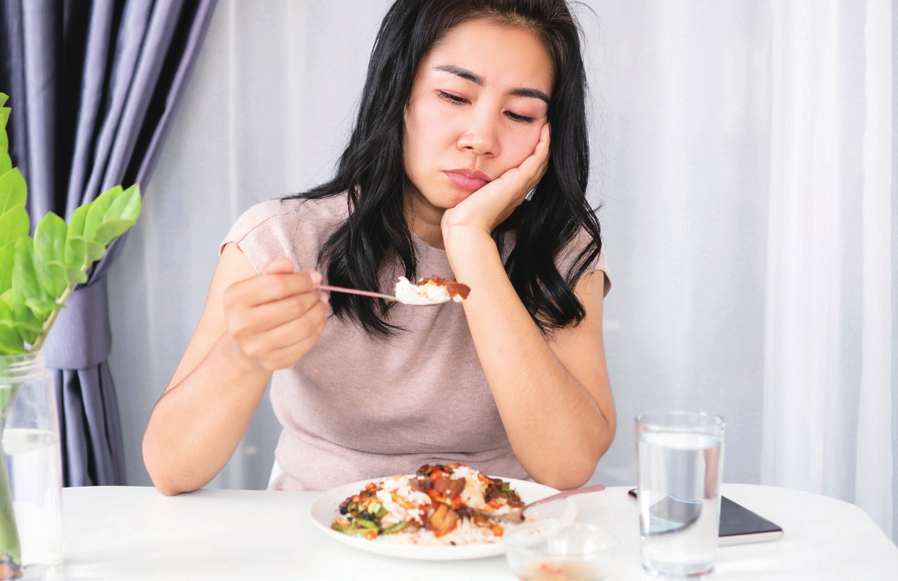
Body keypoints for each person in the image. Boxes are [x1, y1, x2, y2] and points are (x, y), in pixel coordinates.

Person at [143, 0, 615, 495]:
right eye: (454, 96)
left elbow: (568, 466)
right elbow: (170, 470)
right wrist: (242, 356)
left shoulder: (563, 252)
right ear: (398, 93)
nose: (481, 138)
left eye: (519, 113)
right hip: (317, 538)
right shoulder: (283, 239)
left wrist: (471, 241)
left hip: (491, 539)